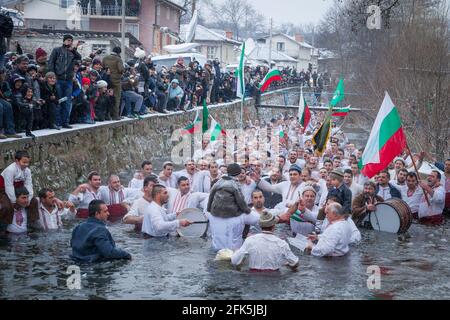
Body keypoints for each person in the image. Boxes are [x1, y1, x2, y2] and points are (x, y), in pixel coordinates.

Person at [206, 163, 257, 251]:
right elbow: (241, 201)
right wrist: (247, 210)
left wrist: (209, 208)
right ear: (238, 173)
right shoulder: (235, 185)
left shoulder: (218, 183)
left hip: (216, 251)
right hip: (233, 253)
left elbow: (211, 194)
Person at [231, 211, 299, 272]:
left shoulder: (250, 240)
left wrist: (236, 251)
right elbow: (295, 263)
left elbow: (235, 261)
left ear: (260, 226)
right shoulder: (281, 243)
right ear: (274, 226)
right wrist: (288, 265)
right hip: (275, 280)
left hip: (253, 280)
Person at [48, 34, 82, 129]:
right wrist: (52, 76)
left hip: (68, 81)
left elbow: (79, 58)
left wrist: (74, 50)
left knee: (67, 101)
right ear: (63, 41)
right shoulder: (57, 50)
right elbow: (51, 62)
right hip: (58, 79)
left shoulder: (72, 53)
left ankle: (65, 122)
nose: (69, 42)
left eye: (71, 40)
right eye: (67, 40)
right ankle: (57, 122)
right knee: (58, 101)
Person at [102, 46, 124, 120]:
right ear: (119, 52)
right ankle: (115, 115)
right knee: (116, 98)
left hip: (107, 79)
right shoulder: (118, 59)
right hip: (116, 81)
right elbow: (121, 69)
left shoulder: (105, 58)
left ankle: (107, 115)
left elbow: (103, 67)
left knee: (107, 97)